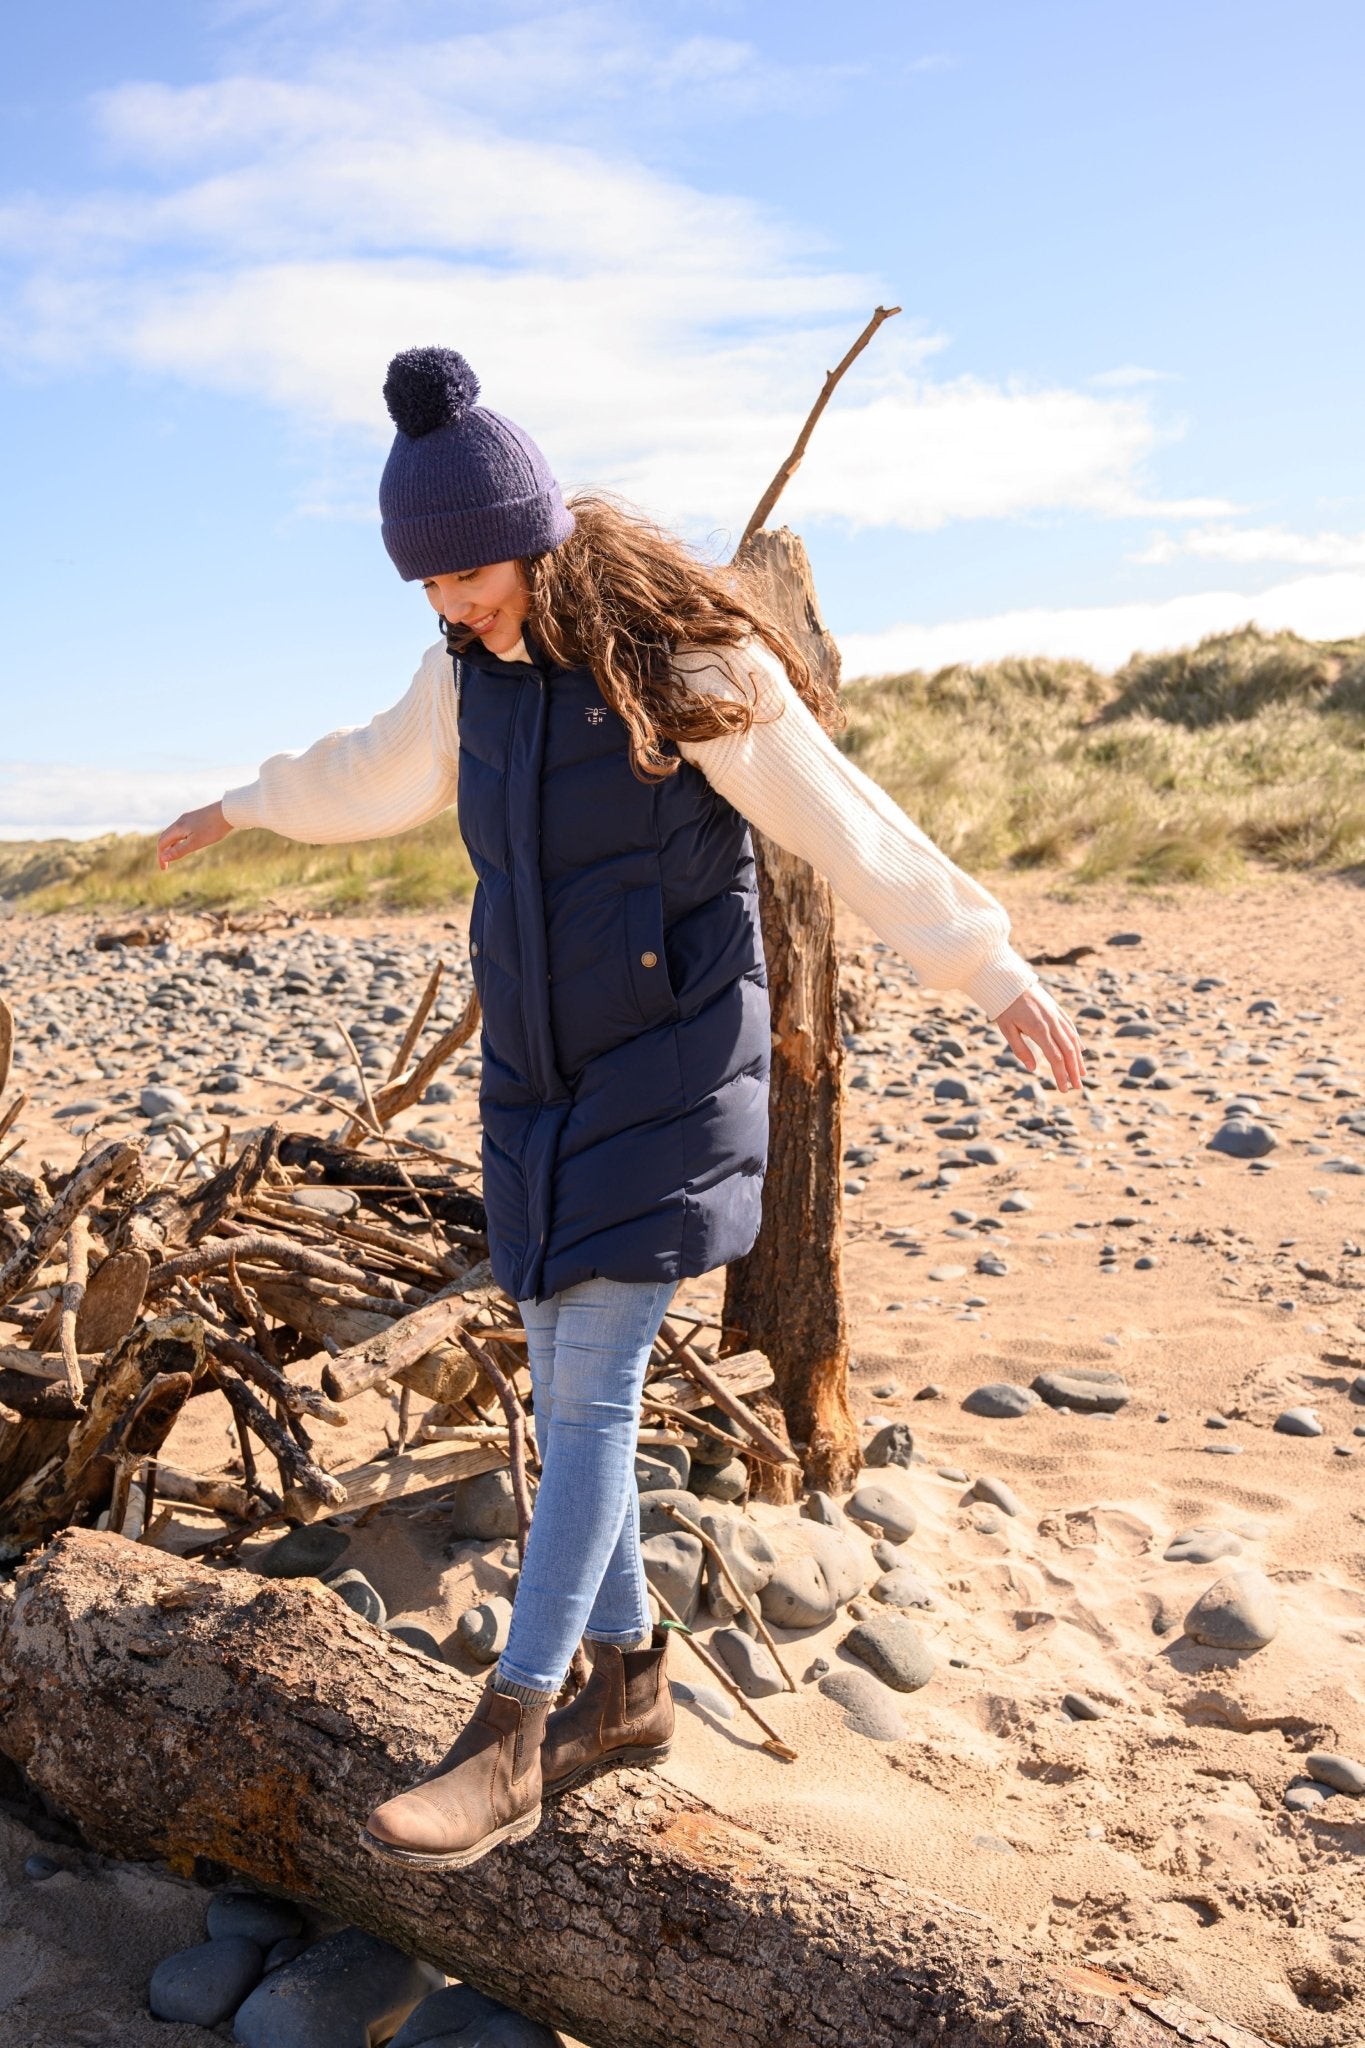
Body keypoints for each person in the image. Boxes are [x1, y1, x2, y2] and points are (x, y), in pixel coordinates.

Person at [159, 345, 1087, 1871]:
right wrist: (242, 804)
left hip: (666, 1067)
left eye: (470, 572)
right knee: (558, 1374)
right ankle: (633, 1685)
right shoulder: (467, 674)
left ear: (532, 536)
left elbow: (841, 820)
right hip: (537, 1075)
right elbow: (373, 777)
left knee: (586, 1393)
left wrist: (983, 964)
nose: (455, 602)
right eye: (431, 584)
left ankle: (516, 1730)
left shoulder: (685, 669)